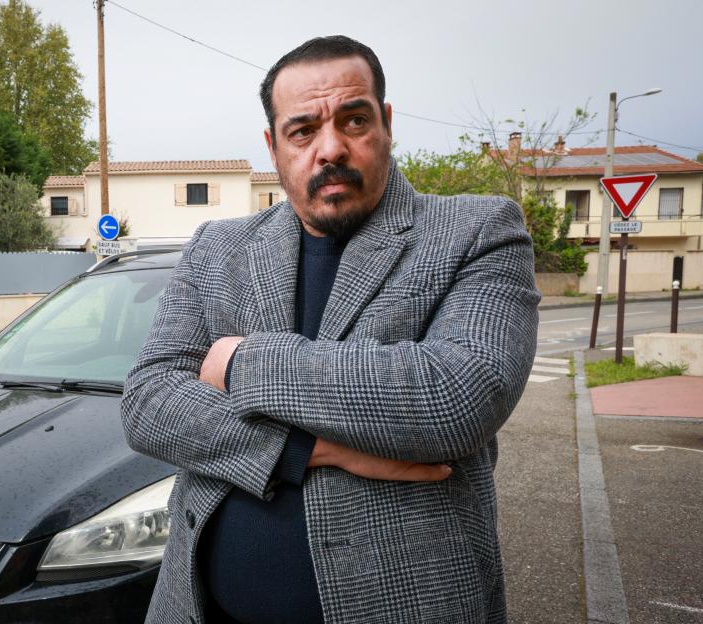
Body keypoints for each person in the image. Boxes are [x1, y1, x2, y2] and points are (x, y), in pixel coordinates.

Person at [121, 35, 539, 624]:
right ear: (274, 146)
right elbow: (148, 402)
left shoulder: (477, 229)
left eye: (354, 120)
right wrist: (308, 450)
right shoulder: (218, 249)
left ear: (387, 123)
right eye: (302, 131)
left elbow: (456, 397)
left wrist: (242, 360)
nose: (330, 148)